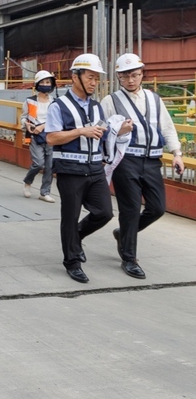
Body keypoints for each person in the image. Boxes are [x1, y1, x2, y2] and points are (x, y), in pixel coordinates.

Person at [46, 53, 131, 283]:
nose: (94, 82)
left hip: (94, 169)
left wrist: (118, 131)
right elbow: (51, 138)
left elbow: (101, 133)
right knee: (70, 216)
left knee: (104, 212)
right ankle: (72, 262)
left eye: (96, 78)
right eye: (90, 77)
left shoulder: (96, 107)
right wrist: (80, 131)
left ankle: (76, 237)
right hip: (70, 170)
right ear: (75, 77)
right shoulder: (58, 106)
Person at [100, 53, 185, 279]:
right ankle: (129, 259)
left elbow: (167, 127)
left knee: (157, 208)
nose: (130, 80)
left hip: (152, 161)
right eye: (125, 76)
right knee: (130, 209)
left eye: (135, 75)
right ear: (118, 76)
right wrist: (117, 131)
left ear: (142, 74)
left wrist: (177, 154)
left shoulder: (154, 99)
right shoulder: (110, 101)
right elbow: (101, 130)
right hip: (125, 161)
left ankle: (123, 233)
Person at [21, 70, 57, 202]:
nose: (46, 85)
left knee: (50, 166)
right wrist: (26, 124)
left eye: (48, 82)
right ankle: (27, 182)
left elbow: (57, 120)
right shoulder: (30, 101)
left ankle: (45, 192)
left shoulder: (55, 102)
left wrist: (43, 126)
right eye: (43, 82)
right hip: (35, 137)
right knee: (38, 163)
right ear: (37, 84)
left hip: (51, 137)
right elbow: (23, 117)